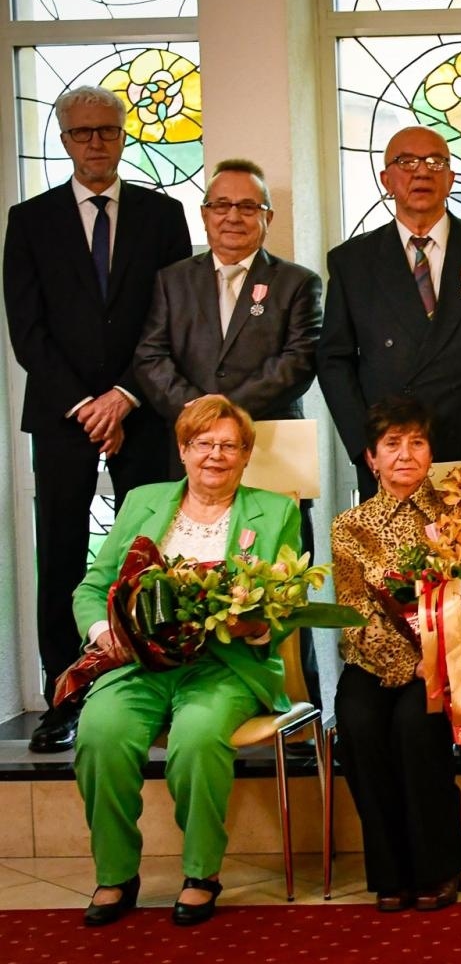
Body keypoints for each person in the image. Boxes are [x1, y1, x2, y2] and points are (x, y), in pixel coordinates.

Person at [3, 84, 191, 753]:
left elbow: (172, 318)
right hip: (62, 417)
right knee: (60, 553)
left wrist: (124, 395)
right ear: (64, 141)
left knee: (149, 555)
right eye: (83, 133)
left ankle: (154, 685)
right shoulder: (29, 221)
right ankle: (66, 694)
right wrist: (85, 405)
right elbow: (27, 331)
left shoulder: (163, 215)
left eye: (107, 131)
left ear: (123, 135)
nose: (96, 143)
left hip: (141, 410)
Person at [72, 397, 301, 927]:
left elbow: (287, 605)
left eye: (229, 446)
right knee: (100, 735)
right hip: (138, 663)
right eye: (204, 444)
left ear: (246, 456)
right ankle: (116, 873)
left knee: (196, 738)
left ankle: (201, 873)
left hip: (224, 663)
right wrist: (108, 632)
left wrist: (258, 623)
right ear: (183, 450)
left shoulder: (276, 512)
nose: (215, 456)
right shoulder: (143, 502)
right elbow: (92, 587)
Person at [134, 157, 325, 704]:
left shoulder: (296, 283)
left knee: (281, 587)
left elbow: (298, 362)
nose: (233, 216)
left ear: (266, 216)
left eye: (247, 206)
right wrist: (200, 420)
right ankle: (188, 698)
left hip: (271, 455)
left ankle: (295, 701)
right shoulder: (173, 281)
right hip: (192, 460)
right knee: (187, 585)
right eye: (222, 205)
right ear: (205, 214)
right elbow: (150, 357)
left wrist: (221, 417)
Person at [330, 396, 461, 912]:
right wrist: (403, 663)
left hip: (453, 660)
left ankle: (438, 868)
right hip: (376, 661)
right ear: (371, 457)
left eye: (417, 442)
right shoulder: (350, 526)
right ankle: (391, 872)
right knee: (359, 723)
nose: (405, 454)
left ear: (432, 453)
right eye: (392, 444)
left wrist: (452, 656)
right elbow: (353, 614)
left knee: (417, 725)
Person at [317, 124, 461, 499]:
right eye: (406, 162)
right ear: (386, 179)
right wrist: (366, 446)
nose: (422, 171)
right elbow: (333, 359)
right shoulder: (352, 262)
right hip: (391, 461)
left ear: (451, 178)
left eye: (435, 162)